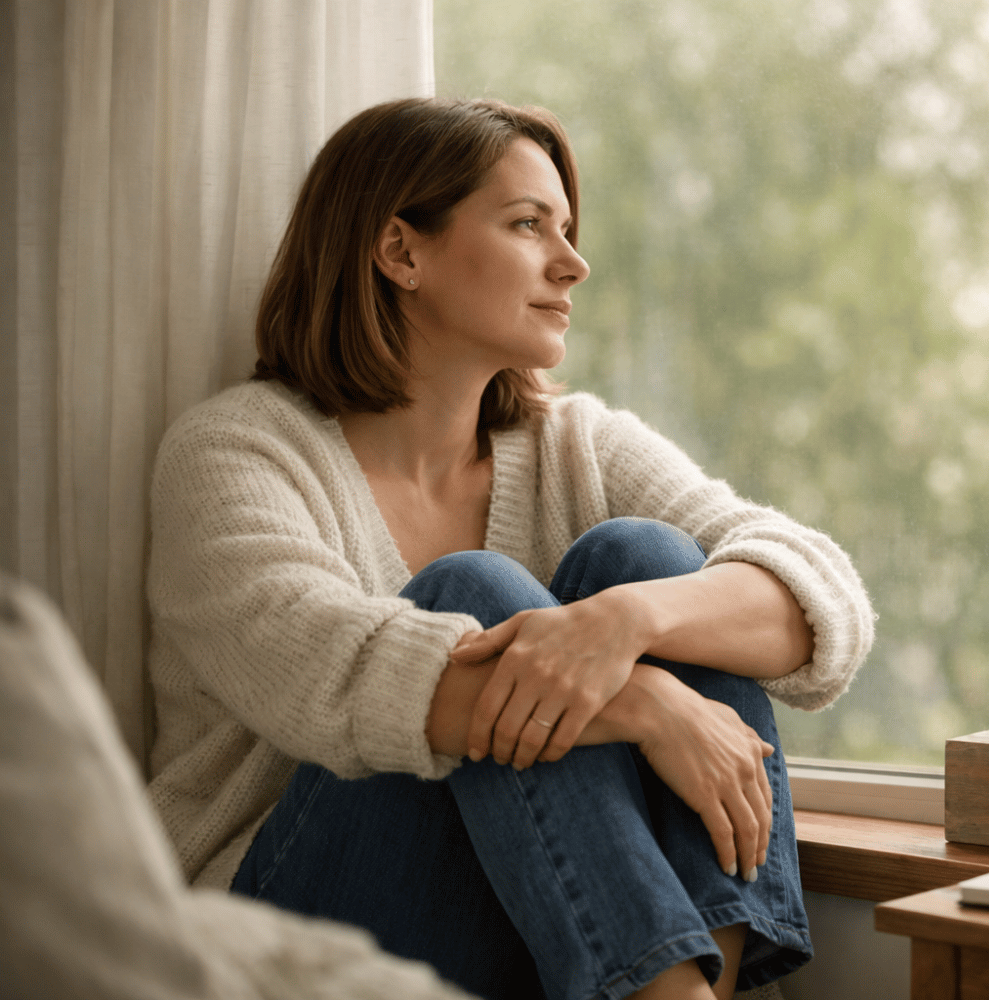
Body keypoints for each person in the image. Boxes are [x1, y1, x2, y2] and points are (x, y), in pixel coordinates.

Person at [145, 97, 875, 1000]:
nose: (573, 264)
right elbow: (344, 677)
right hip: (275, 946)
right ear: (401, 251)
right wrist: (647, 702)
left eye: (566, 230)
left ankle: (694, 989)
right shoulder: (233, 455)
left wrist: (626, 621)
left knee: (648, 557)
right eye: (529, 225)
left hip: (523, 929)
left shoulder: (576, 444)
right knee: (476, 591)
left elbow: (818, 600)